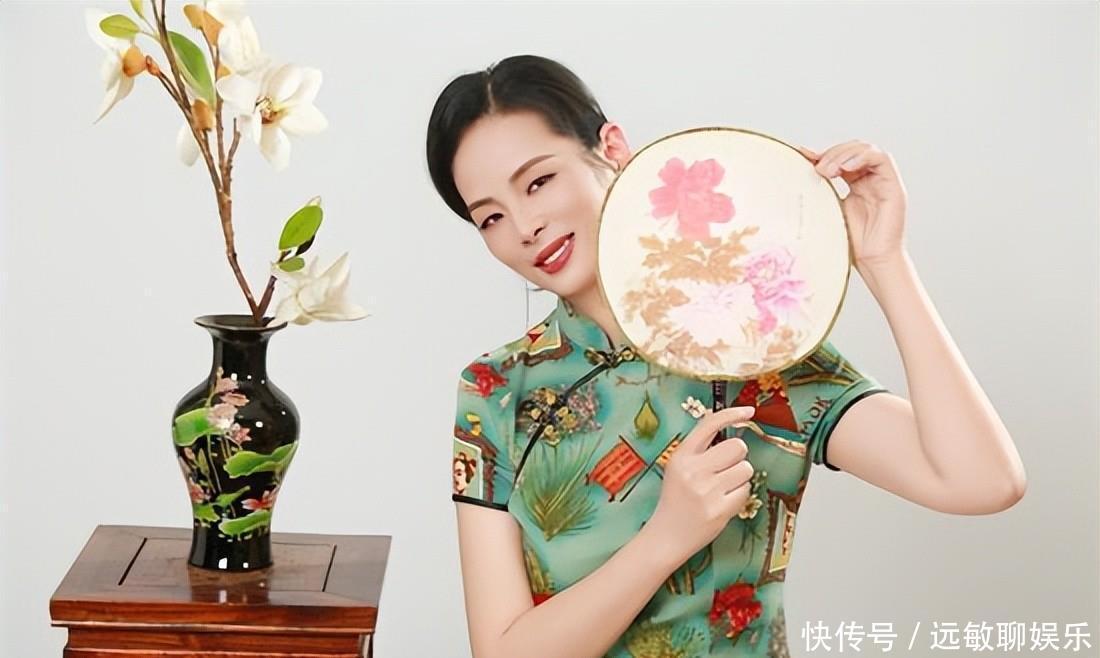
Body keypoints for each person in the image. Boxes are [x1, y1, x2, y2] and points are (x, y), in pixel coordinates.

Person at [426, 54, 1026, 658]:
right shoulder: (496, 389)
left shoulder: (753, 344)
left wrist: (885, 261)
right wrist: (666, 538)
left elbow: (983, 482)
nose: (524, 226)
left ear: (612, 149)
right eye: (491, 217)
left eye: (538, 182)